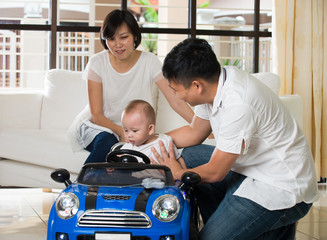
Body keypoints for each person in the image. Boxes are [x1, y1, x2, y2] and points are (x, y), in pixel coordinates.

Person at [150, 38, 320, 240]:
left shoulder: (238, 102)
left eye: (177, 89)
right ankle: (237, 225)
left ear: (197, 85)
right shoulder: (216, 82)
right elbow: (195, 132)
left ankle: (270, 223)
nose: (176, 96)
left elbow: (215, 171)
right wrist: (152, 140)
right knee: (190, 155)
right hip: (251, 168)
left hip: (280, 185)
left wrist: (178, 172)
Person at [68, 10, 193, 164]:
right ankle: (84, 185)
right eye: (111, 39)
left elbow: (176, 100)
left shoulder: (150, 62)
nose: (117, 44)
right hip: (99, 126)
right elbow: (96, 115)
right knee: (108, 141)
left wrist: (202, 126)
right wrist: (121, 131)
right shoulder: (97, 63)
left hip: (133, 130)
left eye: (124, 37)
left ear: (135, 35)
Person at [120, 99, 186, 168]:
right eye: (126, 130)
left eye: (134, 131)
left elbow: (178, 159)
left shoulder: (165, 142)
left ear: (150, 129)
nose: (129, 135)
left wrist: (182, 173)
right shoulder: (129, 146)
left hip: (160, 177)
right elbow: (117, 158)